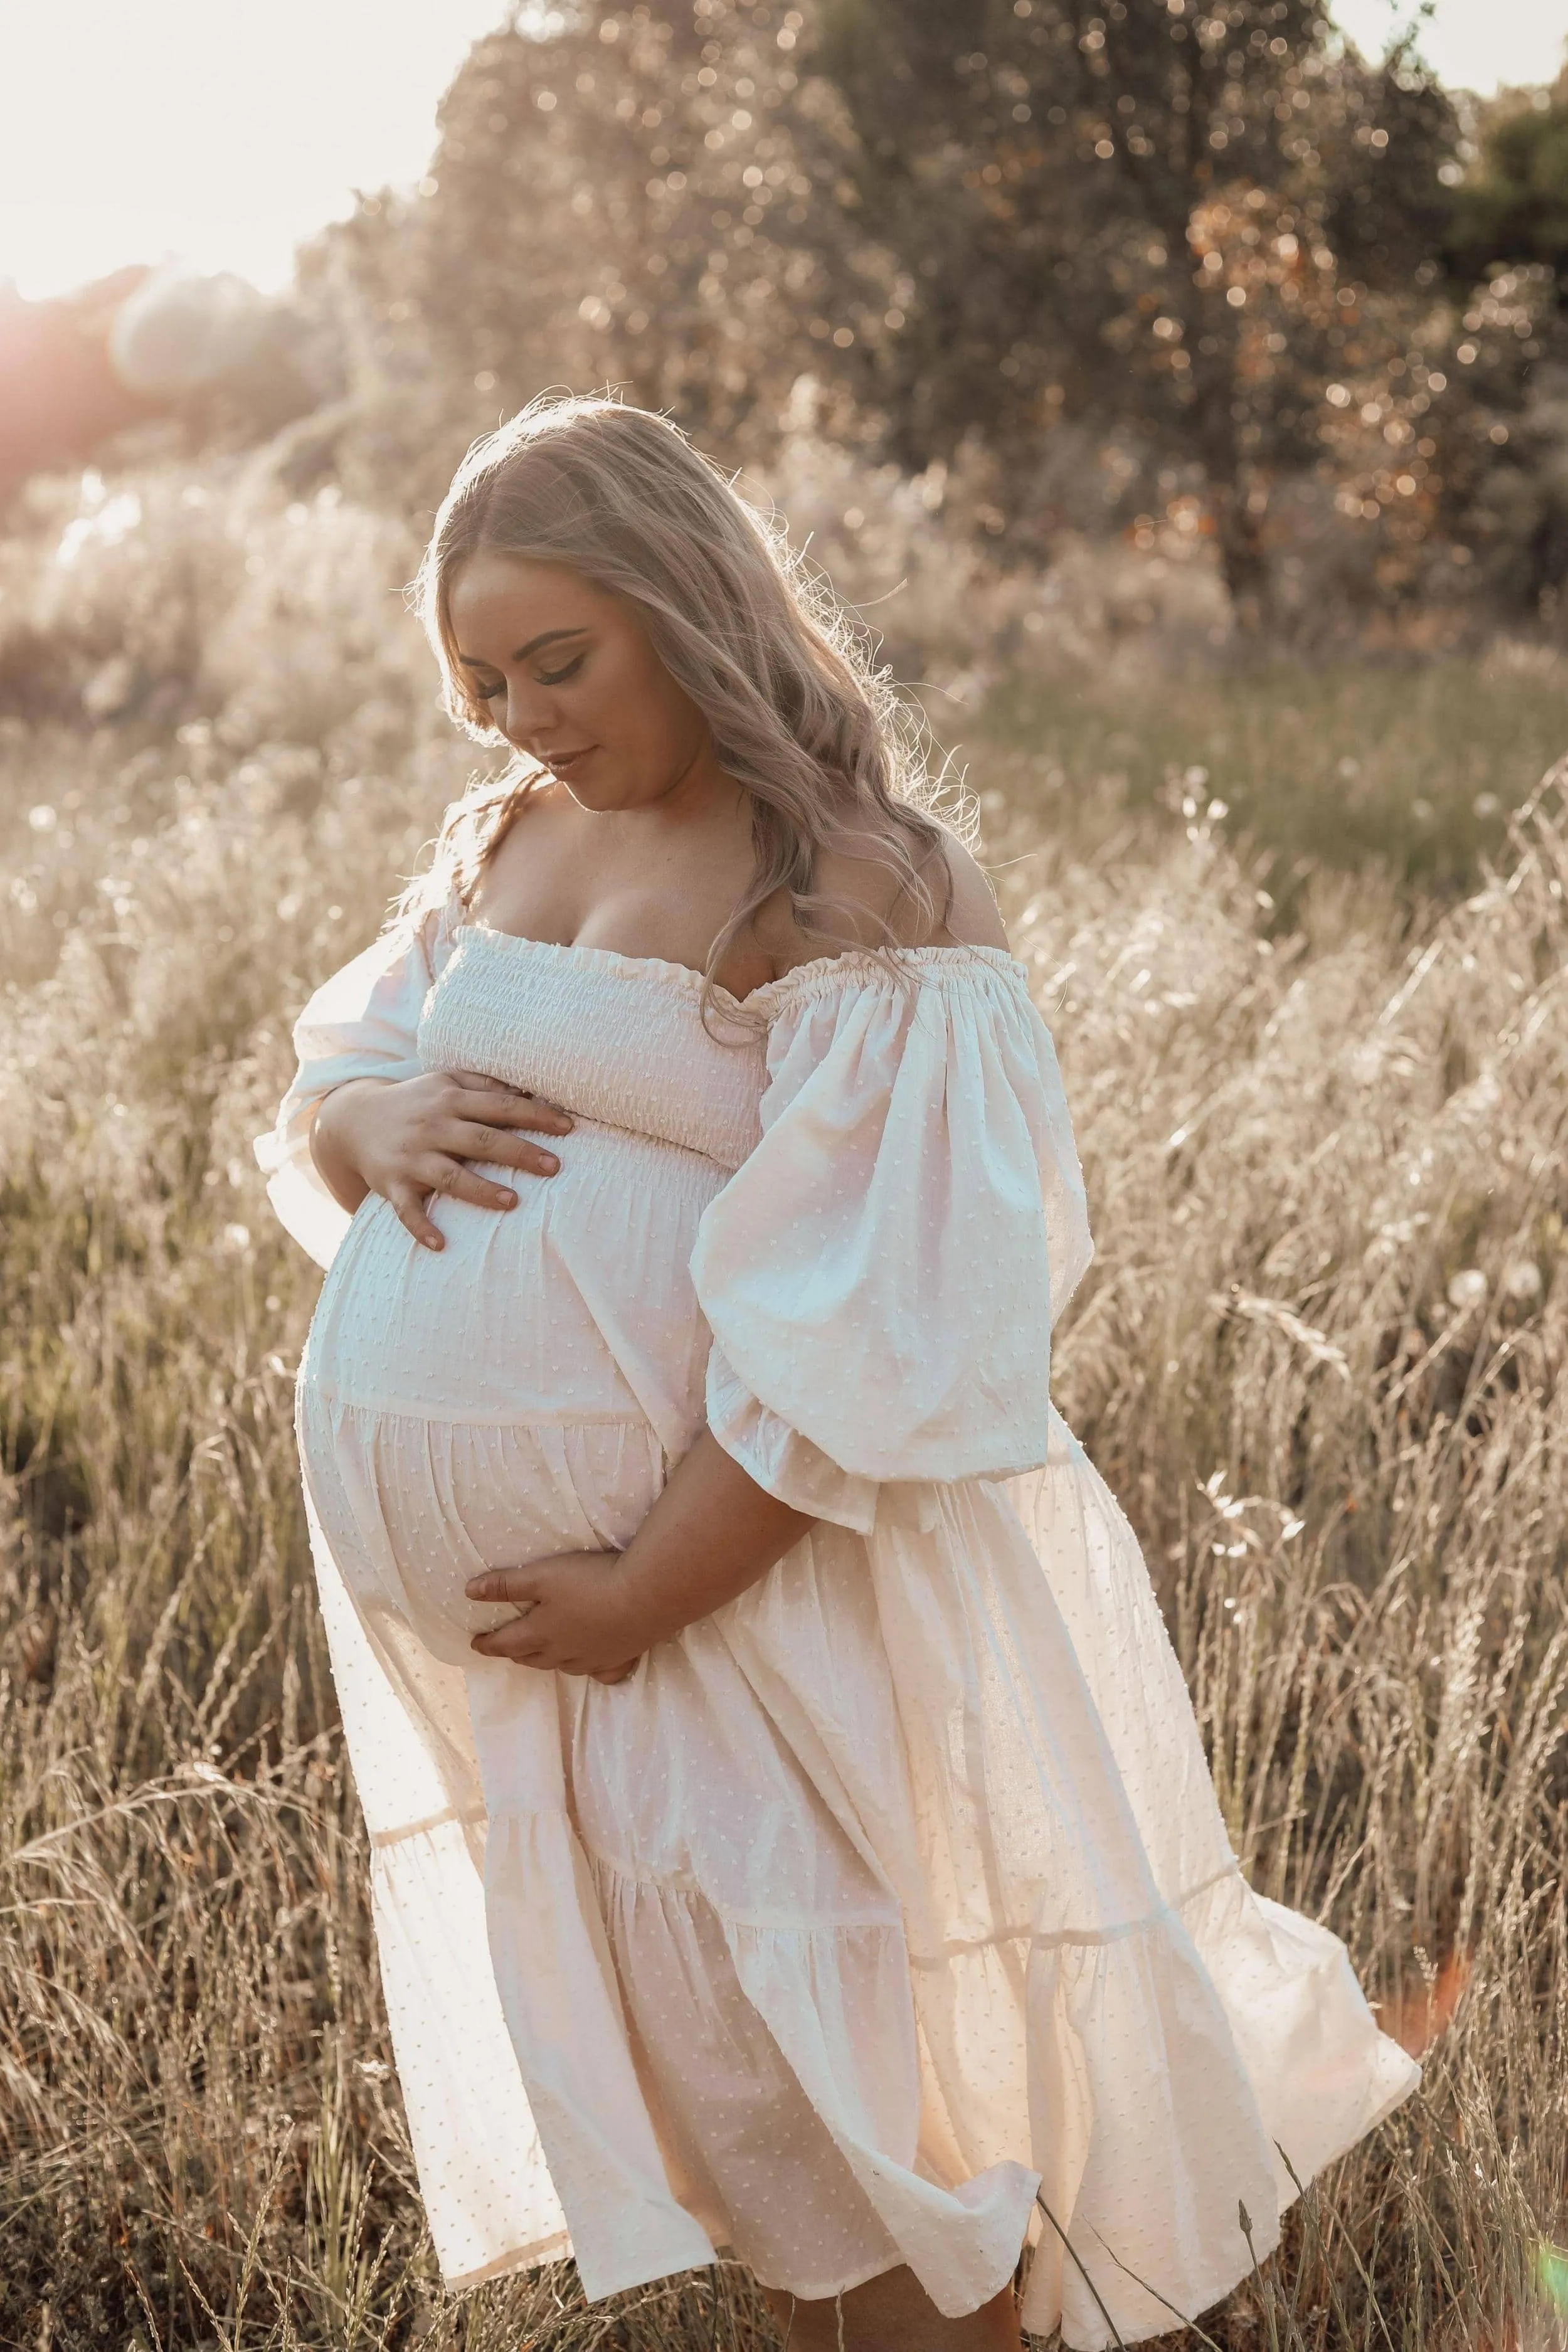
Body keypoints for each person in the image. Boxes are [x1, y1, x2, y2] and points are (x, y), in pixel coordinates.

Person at [255, 395, 1417, 2352]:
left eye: (562, 658)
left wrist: (649, 1585)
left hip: (756, 1599)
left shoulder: (844, 882)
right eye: (481, 678)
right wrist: (362, 1132)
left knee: (867, 2106)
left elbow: (884, 1317)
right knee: (746, 2119)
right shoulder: (512, 832)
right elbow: (358, 1047)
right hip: (579, 1664)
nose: (524, 713)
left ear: (687, 602)